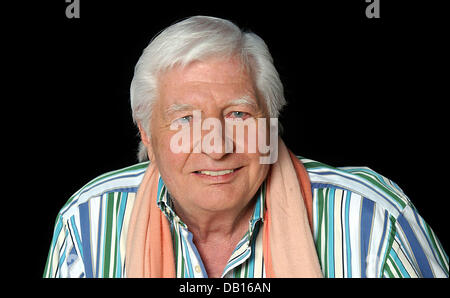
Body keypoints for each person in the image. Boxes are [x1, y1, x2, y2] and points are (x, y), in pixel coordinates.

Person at [43, 16, 448, 278]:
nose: (217, 147)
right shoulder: (86, 221)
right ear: (146, 133)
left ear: (271, 122)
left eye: (238, 114)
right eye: (185, 120)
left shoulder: (375, 218)